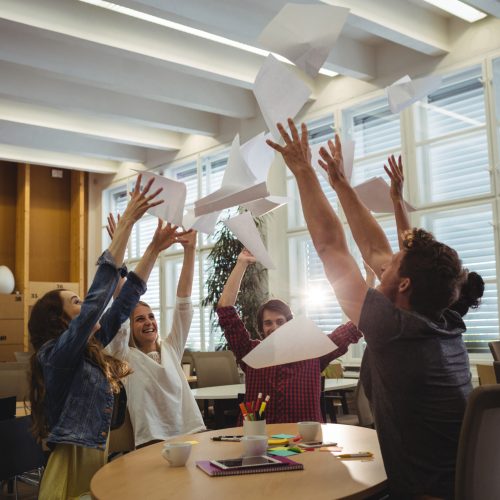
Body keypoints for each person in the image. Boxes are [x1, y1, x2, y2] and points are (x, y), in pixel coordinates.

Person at [267, 119, 471, 499]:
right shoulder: (443, 322)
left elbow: (331, 248)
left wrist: (303, 170)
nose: (384, 260)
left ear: (405, 285)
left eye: (396, 261)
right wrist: (341, 184)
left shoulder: (394, 331)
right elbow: (376, 251)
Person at [28, 175, 177, 499]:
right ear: (60, 320)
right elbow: (99, 299)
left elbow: (124, 302)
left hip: (97, 461)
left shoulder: (86, 348)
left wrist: (153, 248)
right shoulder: (56, 356)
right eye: (76, 302)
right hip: (70, 471)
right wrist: (126, 223)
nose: (85, 305)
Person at [216, 248, 362, 424]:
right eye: (268, 323)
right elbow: (225, 310)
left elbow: (353, 327)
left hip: (304, 440)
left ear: (290, 323)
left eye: (280, 321)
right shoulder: (250, 352)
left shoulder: (313, 352)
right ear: (261, 328)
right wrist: (241, 264)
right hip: (259, 438)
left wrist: (367, 283)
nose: (274, 327)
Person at [106, 225, 205, 447]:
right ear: (130, 328)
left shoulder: (170, 349)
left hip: (190, 434)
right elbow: (121, 306)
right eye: (140, 319)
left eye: (151, 316)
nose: (149, 322)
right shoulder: (124, 355)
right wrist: (118, 247)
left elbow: (184, 302)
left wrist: (190, 251)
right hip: (152, 442)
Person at [384, 153, 485, 318]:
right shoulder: (444, 327)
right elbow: (409, 247)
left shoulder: (403, 320)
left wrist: (397, 199)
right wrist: (397, 199)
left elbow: (408, 250)